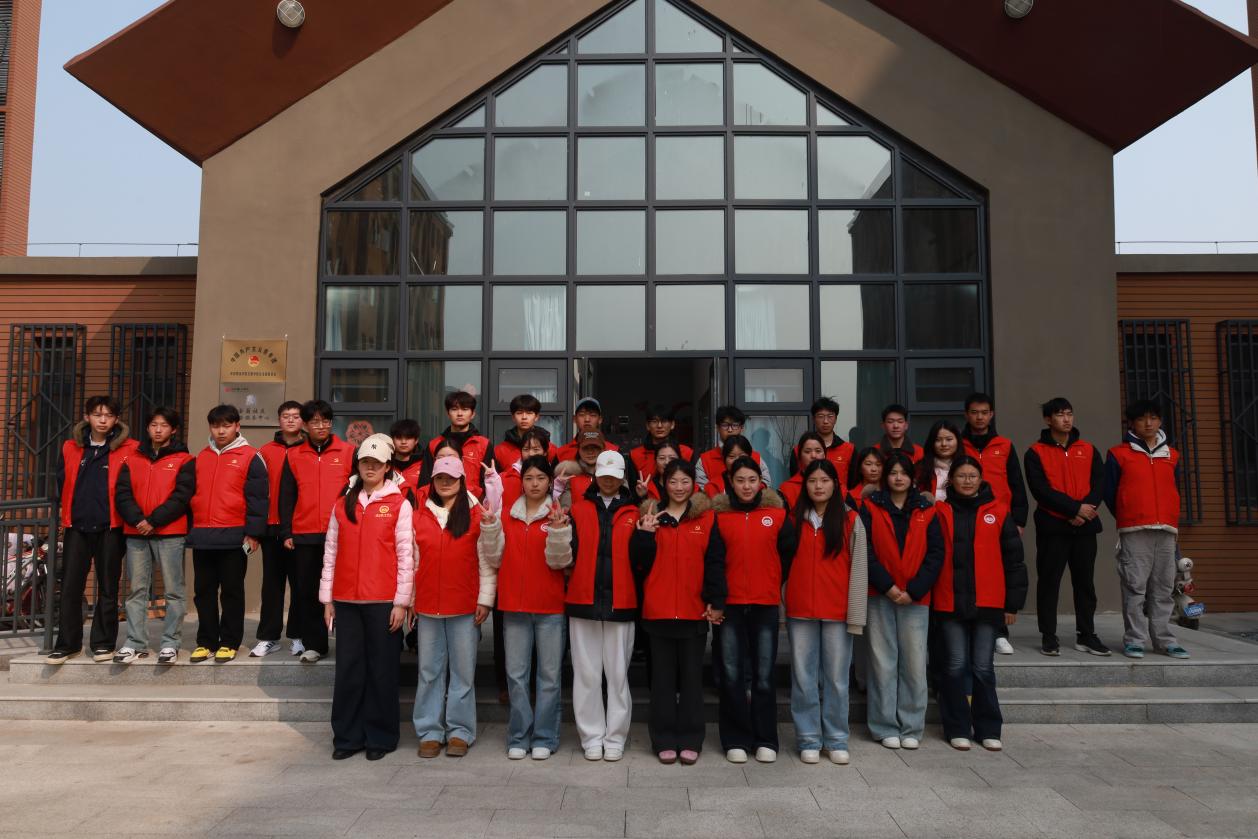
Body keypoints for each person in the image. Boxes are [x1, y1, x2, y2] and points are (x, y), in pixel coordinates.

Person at [319, 434, 413, 761]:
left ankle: (380, 738)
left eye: (376, 463)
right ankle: (347, 737)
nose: (370, 468)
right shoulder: (342, 504)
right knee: (348, 671)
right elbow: (330, 553)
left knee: (382, 672)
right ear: (357, 466)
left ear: (388, 467)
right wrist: (327, 600)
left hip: (383, 602)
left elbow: (406, 556)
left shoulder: (399, 504)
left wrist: (401, 602)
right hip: (346, 601)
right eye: (365, 462)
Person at [631, 459, 726, 765]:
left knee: (691, 681)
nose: (679, 487)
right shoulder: (650, 515)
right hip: (657, 611)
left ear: (693, 484)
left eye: (685, 481)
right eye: (673, 481)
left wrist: (716, 601)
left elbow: (715, 563)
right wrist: (644, 535)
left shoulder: (707, 518)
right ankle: (663, 738)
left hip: (693, 611)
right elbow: (638, 564)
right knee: (662, 682)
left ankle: (690, 738)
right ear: (664, 484)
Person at [932, 457, 1027, 751]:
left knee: (983, 667)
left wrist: (1012, 605)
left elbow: (1014, 560)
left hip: (988, 602)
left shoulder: (998, 511)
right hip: (949, 601)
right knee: (955, 665)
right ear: (951, 480)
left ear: (981, 479)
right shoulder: (940, 511)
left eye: (972, 475)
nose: (967, 481)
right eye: (961, 476)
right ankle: (957, 727)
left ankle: (988, 728)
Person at [412, 456, 502, 758]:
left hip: (464, 607)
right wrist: (410, 600)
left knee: (463, 673)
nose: (445, 483)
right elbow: (413, 562)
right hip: (428, 607)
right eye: (440, 478)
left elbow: (487, 563)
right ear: (433, 481)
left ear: (462, 481)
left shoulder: (476, 515)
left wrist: (485, 600)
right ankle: (429, 732)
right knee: (429, 672)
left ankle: (460, 732)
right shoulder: (419, 515)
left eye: (451, 478)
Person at [712, 456, 797, 764]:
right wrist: (717, 599)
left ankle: (765, 739)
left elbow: (788, 553)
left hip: (764, 605)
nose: (746, 486)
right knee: (732, 673)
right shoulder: (719, 518)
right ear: (730, 483)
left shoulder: (777, 515)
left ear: (761, 482)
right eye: (740, 480)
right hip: (730, 607)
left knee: (763, 675)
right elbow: (714, 561)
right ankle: (735, 738)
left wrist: (772, 579)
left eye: (752, 480)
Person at [784, 459, 868, 766]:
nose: (818, 486)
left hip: (837, 611)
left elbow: (859, 569)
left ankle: (835, 739)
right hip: (799, 610)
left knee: (836, 678)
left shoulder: (850, 519)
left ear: (836, 484)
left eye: (824, 480)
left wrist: (856, 615)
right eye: (812, 481)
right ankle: (808, 738)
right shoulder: (793, 519)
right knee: (803, 677)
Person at [46, 396, 140, 664]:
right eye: (97, 414)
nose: (102, 420)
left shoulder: (130, 448)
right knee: (71, 587)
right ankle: (67, 644)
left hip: (111, 527)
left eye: (108, 415)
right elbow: (62, 481)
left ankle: (103, 643)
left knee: (108, 587)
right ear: (87, 417)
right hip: (76, 527)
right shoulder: (71, 447)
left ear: (116, 419)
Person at [862, 452, 944, 751]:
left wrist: (914, 590)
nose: (898, 478)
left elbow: (936, 554)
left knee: (914, 664)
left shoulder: (927, 509)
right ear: (886, 476)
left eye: (904, 473)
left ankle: (911, 726)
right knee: (882, 663)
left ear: (912, 478)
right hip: (879, 595)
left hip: (915, 599)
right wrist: (888, 587)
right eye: (893, 472)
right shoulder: (870, 507)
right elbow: (865, 550)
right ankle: (884, 726)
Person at [492, 456, 572, 760]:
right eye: (529, 478)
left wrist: (559, 530)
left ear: (550, 482)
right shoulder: (506, 514)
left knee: (549, 677)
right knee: (516, 675)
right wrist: (488, 527)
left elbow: (561, 563)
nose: (534, 483)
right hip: (514, 605)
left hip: (550, 606)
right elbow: (493, 556)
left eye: (540, 478)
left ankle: (545, 736)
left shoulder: (558, 513)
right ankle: (518, 735)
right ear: (521, 481)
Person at [565, 450, 639, 761]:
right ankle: (592, 736)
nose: (608, 481)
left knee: (618, 675)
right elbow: (566, 555)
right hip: (582, 600)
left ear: (623, 478)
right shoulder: (577, 509)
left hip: (622, 601)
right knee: (587, 675)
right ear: (595, 476)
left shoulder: (636, 511)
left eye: (614, 476)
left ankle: (616, 737)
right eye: (603, 475)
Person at [1024, 397, 1108, 657]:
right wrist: (1073, 510)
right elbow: (1040, 490)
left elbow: (1100, 484)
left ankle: (1087, 635)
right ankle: (1049, 636)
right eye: (1060, 415)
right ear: (1048, 419)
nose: (1066, 419)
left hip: (1085, 527)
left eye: (1069, 414)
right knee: (1049, 583)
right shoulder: (1035, 452)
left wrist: (1084, 511)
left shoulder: (1089, 449)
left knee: (1085, 584)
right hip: (1053, 527)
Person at [1105, 399, 1188, 660]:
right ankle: (1134, 640)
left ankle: (1165, 640)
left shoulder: (1172, 455)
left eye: (1153, 418)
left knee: (1164, 587)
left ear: (1160, 421)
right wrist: (1128, 513)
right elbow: (1110, 492)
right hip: (1134, 529)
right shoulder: (1118, 454)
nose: (1148, 423)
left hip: (1166, 529)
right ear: (1132, 423)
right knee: (1134, 587)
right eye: (1142, 419)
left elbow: (1174, 489)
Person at [113, 407, 195, 664]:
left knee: (173, 590)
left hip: (170, 532)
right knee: (136, 590)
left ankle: (170, 643)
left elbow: (182, 496)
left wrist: (154, 521)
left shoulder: (185, 460)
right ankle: (135, 642)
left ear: (174, 429)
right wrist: (139, 520)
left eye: (164, 425)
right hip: (136, 532)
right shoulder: (131, 459)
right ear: (147, 428)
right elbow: (122, 494)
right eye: (153, 425)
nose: (158, 430)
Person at [186, 404, 268, 663]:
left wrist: (254, 533)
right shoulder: (201, 457)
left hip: (234, 537)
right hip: (203, 536)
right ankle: (206, 641)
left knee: (231, 592)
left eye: (226, 425)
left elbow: (258, 499)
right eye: (216, 426)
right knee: (203, 592)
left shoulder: (251, 456)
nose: (221, 431)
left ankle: (229, 642)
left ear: (237, 426)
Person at [279, 399, 356, 663]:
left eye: (325, 421)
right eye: (314, 421)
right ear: (305, 425)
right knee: (308, 591)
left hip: (342, 533)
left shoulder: (348, 452)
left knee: (344, 590)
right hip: (305, 532)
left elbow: (357, 492)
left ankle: (347, 642)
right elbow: (286, 496)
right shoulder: (294, 455)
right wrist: (287, 531)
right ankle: (315, 645)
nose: (321, 426)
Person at [961, 393, 1029, 656]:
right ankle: (969, 629)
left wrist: (1018, 520)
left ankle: (1000, 632)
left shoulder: (1005, 445)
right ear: (967, 415)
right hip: (966, 517)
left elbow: (1016, 484)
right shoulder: (959, 445)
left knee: (999, 576)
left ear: (991, 415)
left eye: (984, 412)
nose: (979, 417)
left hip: (999, 520)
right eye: (974, 412)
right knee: (970, 574)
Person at [251, 400, 306, 658]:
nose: (291, 420)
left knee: (300, 584)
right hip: (271, 528)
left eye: (296, 416)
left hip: (300, 528)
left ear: (302, 421)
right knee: (272, 586)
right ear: (279, 420)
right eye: (286, 416)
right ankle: (268, 637)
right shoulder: (264, 451)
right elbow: (256, 491)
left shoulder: (308, 450)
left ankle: (297, 635)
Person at [427, 391, 494, 499]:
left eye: (465, 409)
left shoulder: (483, 444)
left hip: (474, 504)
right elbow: (426, 482)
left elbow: (490, 482)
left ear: (473, 414)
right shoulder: (434, 444)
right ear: (448, 413)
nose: (459, 414)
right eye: (454, 409)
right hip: (441, 503)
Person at [696, 405, 771, 491]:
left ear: (742, 428)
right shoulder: (704, 460)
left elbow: (766, 482)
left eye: (735, 425)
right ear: (717, 428)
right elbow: (702, 490)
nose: (730, 430)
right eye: (725, 425)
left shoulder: (755, 457)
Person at [789, 398, 855, 486]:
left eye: (830, 416)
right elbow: (794, 482)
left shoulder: (849, 450)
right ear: (813, 419)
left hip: (840, 494)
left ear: (835, 419)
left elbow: (853, 484)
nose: (825, 421)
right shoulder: (798, 450)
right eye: (820, 416)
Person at [628, 404, 694, 479]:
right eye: (654, 421)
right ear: (648, 426)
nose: (659, 426)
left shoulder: (686, 452)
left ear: (672, 424)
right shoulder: (635, 455)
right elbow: (633, 485)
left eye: (664, 421)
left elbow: (692, 483)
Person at [494, 394, 558, 471]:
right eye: (519, 413)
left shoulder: (550, 449)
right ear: (513, 417)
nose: (524, 417)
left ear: (537, 417)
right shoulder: (500, 451)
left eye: (529, 413)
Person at [500, 429, 552, 511]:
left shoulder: (555, 476)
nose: (530, 454)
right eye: (526, 449)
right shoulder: (505, 477)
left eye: (536, 449)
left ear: (545, 452)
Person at [556, 397, 620, 462]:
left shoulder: (613, 451)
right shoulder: (561, 453)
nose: (587, 419)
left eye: (593, 415)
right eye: (582, 415)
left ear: (600, 420)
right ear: (575, 419)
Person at [916, 420, 962, 501]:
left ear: (958, 441)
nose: (944, 444)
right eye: (938, 440)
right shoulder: (920, 468)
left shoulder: (966, 466)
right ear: (931, 442)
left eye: (949, 439)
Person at [779, 432, 827, 509]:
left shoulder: (838, 487)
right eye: (807, 452)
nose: (813, 456)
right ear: (799, 456)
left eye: (818, 451)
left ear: (824, 455)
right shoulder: (786, 489)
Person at [704, 434, 757, 499]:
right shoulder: (714, 487)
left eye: (742, 456)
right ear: (724, 459)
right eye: (732, 456)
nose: (737, 460)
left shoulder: (758, 485)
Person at [389, 418, 431, 494]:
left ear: (416, 440)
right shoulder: (386, 464)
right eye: (399, 438)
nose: (403, 442)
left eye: (408, 438)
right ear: (392, 440)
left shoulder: (426, 464)